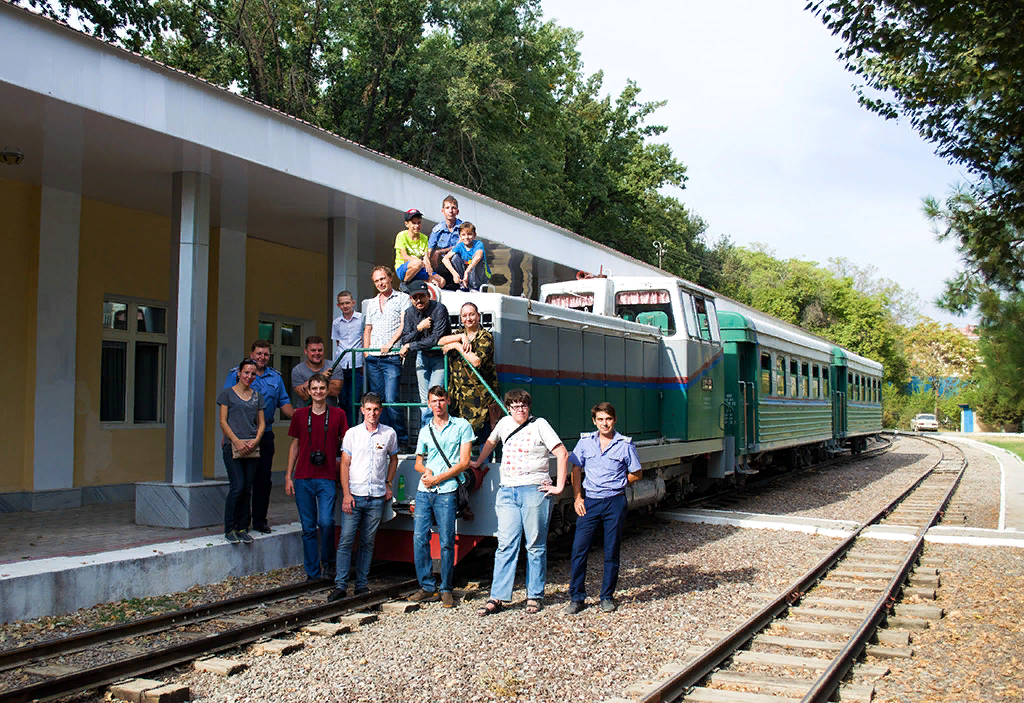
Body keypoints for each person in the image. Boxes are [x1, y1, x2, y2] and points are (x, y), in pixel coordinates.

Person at [471, 389, 567, 616]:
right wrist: (478, 462)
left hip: (535, 489)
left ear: (529, 407)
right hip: (508, 491)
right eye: (514, 406)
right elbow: (491, 442)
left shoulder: (540, 424)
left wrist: (559, 486)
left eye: (523, 405)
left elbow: (562, 453)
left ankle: (534, 595)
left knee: (534, 545)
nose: (519, 409)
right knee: (505, 544)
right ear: (508, 408)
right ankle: (498, 596)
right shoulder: (504, 423)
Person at [565, 402, 642, 614]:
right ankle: (577, 597)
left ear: (614, 420)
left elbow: (637, 473)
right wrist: (578, 498)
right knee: (579, 549)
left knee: (611, 550)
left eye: (608, 419)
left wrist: (619, 483)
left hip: (614, 502)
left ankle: (606, 596)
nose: (604, 423)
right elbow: (576, 469)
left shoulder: (625, 444)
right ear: (594, 421)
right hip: (590, 502)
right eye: (600, 419)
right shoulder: (585, 442)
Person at [328, 392, 398, 602]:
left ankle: (361, 585)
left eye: (376, 409)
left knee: (368, 542)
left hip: (376, 496)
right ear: (362, 410)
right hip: (355, 496)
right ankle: (341, 585)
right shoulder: (352, 434)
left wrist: (388, 483)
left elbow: (393, 459)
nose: (372, 413)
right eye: (368, 409)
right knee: (346, 540)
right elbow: (345, 464)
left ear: (381, 410)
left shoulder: (389, 434)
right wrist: (346, 494)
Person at [408, 386, 474, 608]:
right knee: (419, 537)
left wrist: (439, 478)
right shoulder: (425, 430)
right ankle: (427, 586)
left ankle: (446, 588)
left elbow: (464, 462)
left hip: (446, 490)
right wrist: (424, 471)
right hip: (425, 489)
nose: (438, 404)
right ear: (428, 404)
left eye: (441, 400)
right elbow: (418, 461)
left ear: (448, 402)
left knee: (446, 540)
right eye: (434, 401)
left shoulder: (462, 426)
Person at [222, 340, 293, 534]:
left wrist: (299, 417)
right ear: (252, 354)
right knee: (241, 484)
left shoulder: (276, 377)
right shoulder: (237, 373)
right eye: (259, 353)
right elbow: (227, 407)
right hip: (240, 435)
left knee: (263, 480)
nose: (262, 357)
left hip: (265, 434)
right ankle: (238, 524)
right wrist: (227, 438)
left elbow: (284, 402)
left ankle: (260, 521)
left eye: (266, 354)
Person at [285, 373, 348, 582]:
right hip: (303, 477)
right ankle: (312, 572)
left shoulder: (338, 414)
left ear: (328, 389)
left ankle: (328, 563)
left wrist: (345, 474)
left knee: (327, 522)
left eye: (322, 388)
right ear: (308, 391)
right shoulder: (300, 414)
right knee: (308, 527)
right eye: (314, 388)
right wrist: (288, 476)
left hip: (327, 477)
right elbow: (294, 445)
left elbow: (346, 446)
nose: (319, 392)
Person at [217, 357, 266, 545]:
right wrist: (235, 441)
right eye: (246, 372)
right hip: (233, 447)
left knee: (247, 488)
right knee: (237, 487)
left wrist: (255, 440)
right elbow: (223, 421)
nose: (249, 376)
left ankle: (242, 527)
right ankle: (229, 527)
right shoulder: (227, 394)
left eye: (253, 373)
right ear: (238, 373)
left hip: (251, 447)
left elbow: (261, 422)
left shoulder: (257, 396)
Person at [363, 266, 410, 446]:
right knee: (377, 402)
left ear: (390, 278)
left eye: (383, 279)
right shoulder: (372, 303)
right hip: (373, 359)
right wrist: (366, 353)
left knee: (391, 401)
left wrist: (390, 344)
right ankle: (385, 440)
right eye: (376, 281)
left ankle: (402, 441)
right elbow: (368, 329)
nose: (380, 283)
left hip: (391, 357)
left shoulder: (402, 298)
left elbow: (404, 325)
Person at [440, 301, 497, 444]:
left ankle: (484, 465)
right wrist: (459, 339)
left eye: (471, 314)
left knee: (483, 438)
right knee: (460, 438)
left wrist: (457, 347)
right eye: (464, 316)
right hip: (458, 398)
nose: (468, 319)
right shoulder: (459, 334)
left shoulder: (486, 337)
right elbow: (440, 341)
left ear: (478, 316)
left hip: (480, 399)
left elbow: (476, 361)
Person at [399, 280, 451, 427]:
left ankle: (437, 431)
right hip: (421, 357)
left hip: (440, 357)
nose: (418, 300)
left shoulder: (439, 309)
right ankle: (427, 434)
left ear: (428, 295)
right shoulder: (409, 313)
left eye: (421, 296)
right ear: (411, 299)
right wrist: (419, 328)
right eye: (415, 297)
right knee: (425, 401)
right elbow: (405, 338)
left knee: (436, 397)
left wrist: (411, 345)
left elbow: (435, 340)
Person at [331, 290, 364, 425]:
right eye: (342, 303)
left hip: (357, 365)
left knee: (354, 401)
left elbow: (365, 338)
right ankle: (344, 432)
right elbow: (338, 342)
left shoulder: (362, 319)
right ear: (338, 305)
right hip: (341, 365)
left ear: (353, 303)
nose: (345, 306)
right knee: (343, 400)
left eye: (347, 303)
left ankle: (353, 429)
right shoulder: (336, 323)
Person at [291, 335, 342, 407]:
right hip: (306, 413)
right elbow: (305, 396)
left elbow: (335, 391)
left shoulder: (334, 366)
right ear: (306, 351)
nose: (317, 353)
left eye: (320, 350)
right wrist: (321, 377)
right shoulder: (297, 370)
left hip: (329, 413)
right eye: (313, 350)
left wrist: (308, 384)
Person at [427, 195, 462, 290]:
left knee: (455, 257)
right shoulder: (437, 230)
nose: (450, 210)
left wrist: (440, 251)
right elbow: (429, 251)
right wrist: (429, 267)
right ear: (443, 211)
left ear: (457, 211)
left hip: (460, 263)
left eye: (453, 208)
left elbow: (459, 247)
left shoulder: (463, 227)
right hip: (445, 264)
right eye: (447, 208)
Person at [442, 221, 488, 291]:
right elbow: (445, 259)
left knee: (476, 259)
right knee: (455, 257)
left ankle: (475, 287)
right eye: (463, 234)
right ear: (460, 236)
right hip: (466, 277)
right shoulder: (460, 246)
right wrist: (454, 274)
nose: (466, 237)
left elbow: (478, 256)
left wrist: (466, 272)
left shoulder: (478, 244)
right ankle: (463, 284)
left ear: (474, 235)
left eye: (469, 234)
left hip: (479, 278)